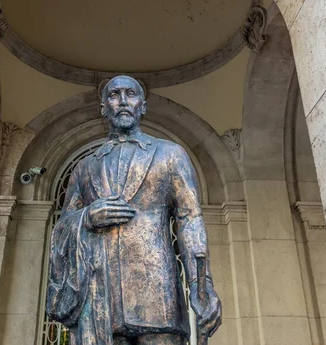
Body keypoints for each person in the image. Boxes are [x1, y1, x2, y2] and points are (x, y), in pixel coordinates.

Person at [47, 75, 221, 345]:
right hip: (99, 299)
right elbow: (62, 227)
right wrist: (87, 217)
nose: (123, 101)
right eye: (115, 95)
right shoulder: (84, 167)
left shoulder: (171, 154)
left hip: (157, 296)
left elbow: (190, 221)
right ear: (104, 108)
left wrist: (202, 287)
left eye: (131, 94)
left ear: (143, 105)